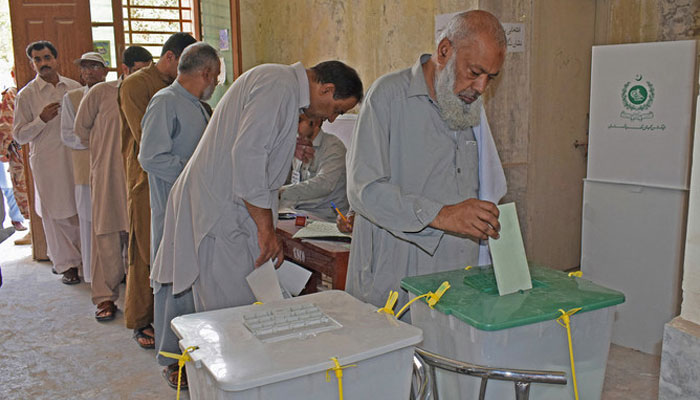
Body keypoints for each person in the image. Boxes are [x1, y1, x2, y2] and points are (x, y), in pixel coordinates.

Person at [151, 60, 363, 314]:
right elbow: (247, 157)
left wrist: (286, 145)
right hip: (219, 213)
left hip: (230, 210)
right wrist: (266, 231)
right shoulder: (277, 85)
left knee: (246, 308)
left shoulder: (281, 86)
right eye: (337, 110)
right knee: (232, 315)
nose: (331, 119)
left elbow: (254, 146)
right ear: (326, 89)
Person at [345, 10, 508, 311]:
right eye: (474, 72)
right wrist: (441, 215)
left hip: (456, 278)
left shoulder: (471, 105)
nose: (482, 87)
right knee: (394, 354)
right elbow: (364, 191)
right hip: (395, 275)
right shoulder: (388, 97)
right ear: (445, 51)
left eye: (491, 77)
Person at [138, 42, 219, 389]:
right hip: (173, 208)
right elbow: (151, 156)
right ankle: (172, 359)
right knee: (173, 282)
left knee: (194, 280)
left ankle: (196, 348)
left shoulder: (199, 107)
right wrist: (192, 173)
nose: (216, 81)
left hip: (197, 209)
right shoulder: (165, 101)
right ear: (205, 73)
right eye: (215, 75)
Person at [119, 32, 197, 349]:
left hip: (176, 180)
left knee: (170, 249)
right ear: (170, 57)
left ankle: (170, 318)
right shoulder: (137, 85)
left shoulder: (176, 89)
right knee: (146, 248)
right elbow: (147, 142)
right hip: (145, 178)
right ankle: (140, 320)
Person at [73, 46, 153, 323]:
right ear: (125, 69)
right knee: (105, 236)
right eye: (139, 70)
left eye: (148, 70)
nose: (143, 76)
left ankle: (138, 298)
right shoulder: (101, 93)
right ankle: (105, 297)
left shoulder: (152, 95)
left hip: (140, 178)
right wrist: (103, 154)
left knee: (139, 239)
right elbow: (80, 131)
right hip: (108, 175)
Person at [13, 41, 83, 284]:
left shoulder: (74, 88)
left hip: (75, 159)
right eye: (37, 59)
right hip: (47, 163)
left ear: (56, 59)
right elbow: (19, 135)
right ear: (32, 63)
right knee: (54, 213)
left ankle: (84, 260)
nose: (42, 63)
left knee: (79, 208)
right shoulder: (27, 95)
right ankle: (66, 266)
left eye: (46, 58)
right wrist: (41, 120)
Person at [60, 52, 109, 283]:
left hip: (111, 170)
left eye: (94, 66)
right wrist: (97, 141)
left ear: (105, 71)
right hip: (85, 171)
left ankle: (116, 273)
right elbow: (68, 135)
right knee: (89, 222)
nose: (89, 71)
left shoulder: (115, 93)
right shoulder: (72, 98)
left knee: (112, 223)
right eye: (85, 67)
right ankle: (92, 275)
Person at [279, 113, 349, 222]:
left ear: (316, 122)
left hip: (325, 219)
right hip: (298, 213)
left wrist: (281, 192)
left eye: (299, 121)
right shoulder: (299, 145)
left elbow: (324, 184)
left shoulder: (333, 147)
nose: (293, 126)